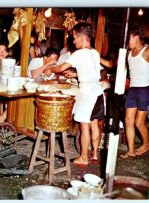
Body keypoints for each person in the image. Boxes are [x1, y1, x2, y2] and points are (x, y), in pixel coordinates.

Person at [46, 22, 104, 167]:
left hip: (87, 94)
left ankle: (83, 157)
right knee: (94, 124)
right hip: (97, 92)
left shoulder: (80, 53)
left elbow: (61, 67)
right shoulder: (94, 52)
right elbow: (91, 72)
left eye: (74, 38)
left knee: (84, 126)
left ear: (81, 37)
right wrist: (75, 74)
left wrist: (52, 68)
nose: (73, 41)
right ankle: (94, 154)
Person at [120, 24, 149, 159]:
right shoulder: (128, 54)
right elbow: (113, 65)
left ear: (136, 37)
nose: (128, 43)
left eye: (129, 40)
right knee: (128, 120)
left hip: (145, 90)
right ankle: (131, 150)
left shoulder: (148, 51)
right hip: (132, 90)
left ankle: (146, 144)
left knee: (139, 123)